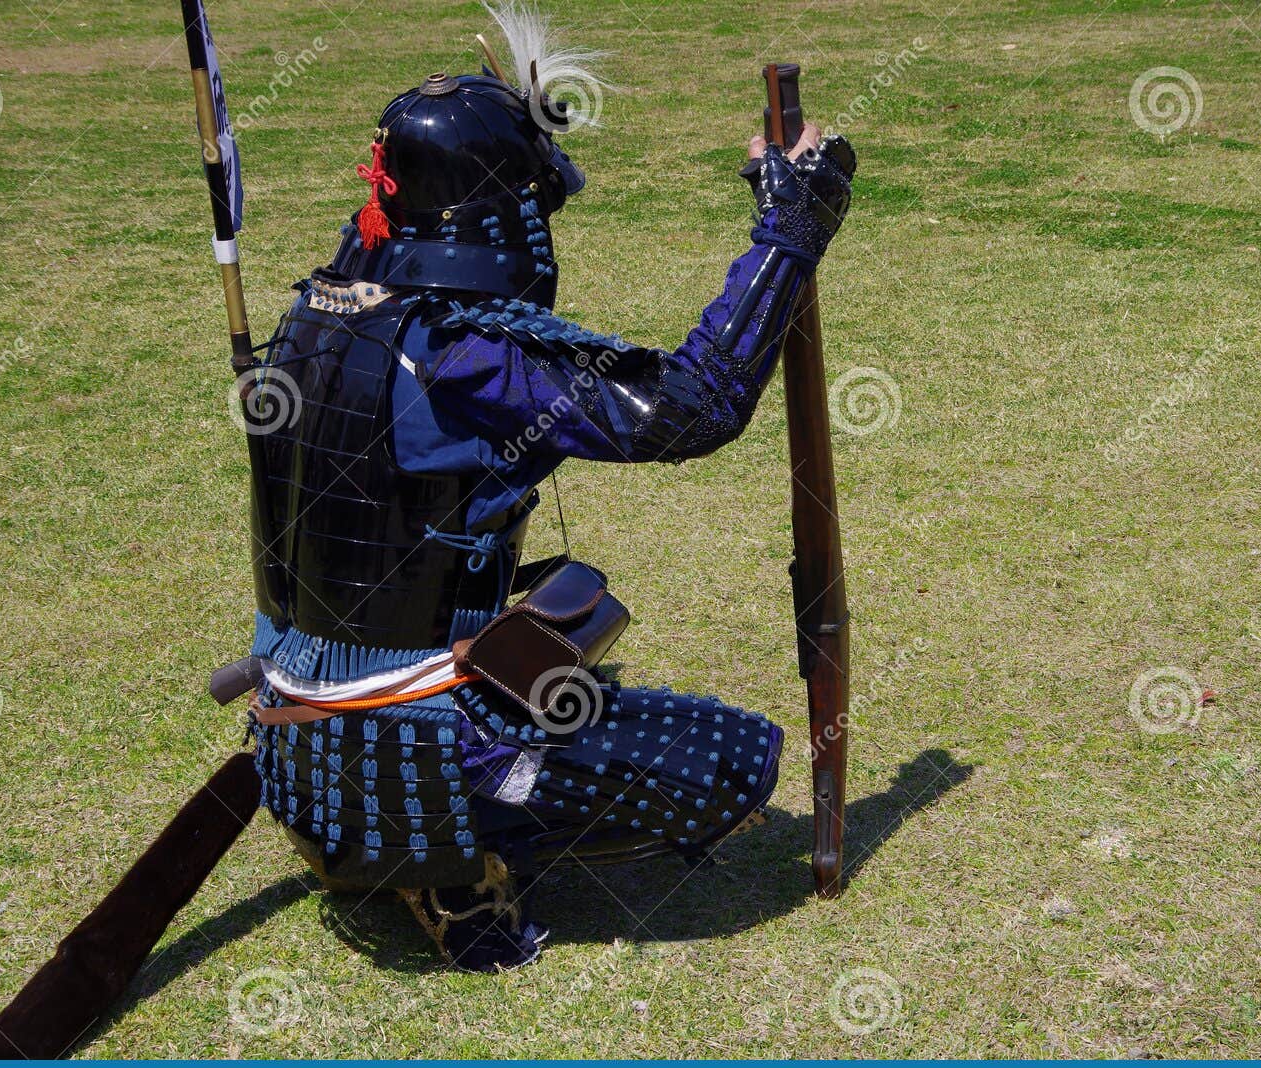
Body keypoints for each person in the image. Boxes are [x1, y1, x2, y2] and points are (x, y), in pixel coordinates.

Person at [244, 7, 856, 970]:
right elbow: (689, 407)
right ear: (501, 214)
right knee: (732, 760)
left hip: (288, 740)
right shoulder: (462, 354)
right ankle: (451, 863)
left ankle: (435, 818)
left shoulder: (312, 315)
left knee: (570, 649)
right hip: (400, 750)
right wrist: (792, 226)